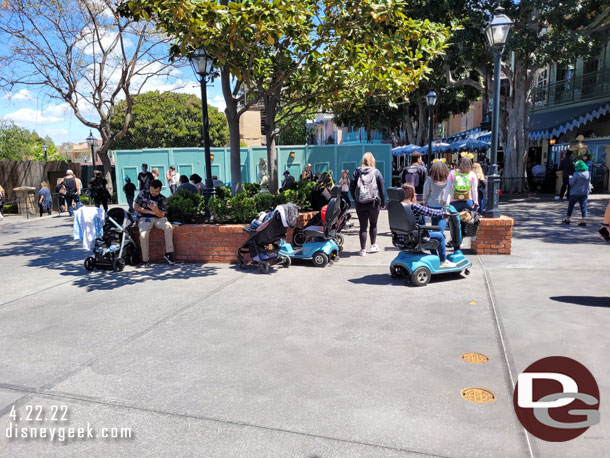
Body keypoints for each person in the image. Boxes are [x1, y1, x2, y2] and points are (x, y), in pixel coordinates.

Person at [402, 184, 455, 268]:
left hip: (401, 236)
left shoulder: (398, 205)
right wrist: (443, 213)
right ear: (411, 194)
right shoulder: (413, 206)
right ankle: (443, 260)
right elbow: (429, 211)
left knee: (430, 234)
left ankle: (435, 257)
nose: (415, 194)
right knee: (440, 236)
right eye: (414, 192)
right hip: (414, 236)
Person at [350, 152, 385, 256]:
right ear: (372, 160)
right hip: (373, 203)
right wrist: (382, 202)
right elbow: (382, 189)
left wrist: (356, 199)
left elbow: (352, 187)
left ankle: (363, 250)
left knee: (363, 226)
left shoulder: (357, 172)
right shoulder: (376, 172)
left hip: (360, 203)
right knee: (373, 224)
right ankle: (373, 245)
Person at [134, 179, 175, 267]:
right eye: (152, 190)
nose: (153, 193)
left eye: (156, 191)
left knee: (168, 227)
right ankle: (145, 259)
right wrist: (150, 212)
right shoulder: (143, 193)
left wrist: (156, 210)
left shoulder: (163, 199)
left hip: (158, 218)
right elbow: (136, 207)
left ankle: (168, 253)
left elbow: (161, 215)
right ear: (150, 188)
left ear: (160, 190)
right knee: (143, 235)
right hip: (145, 217)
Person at [422, 160, 450, 231]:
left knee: (434, 221)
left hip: (432, 203)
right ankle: (440, 233)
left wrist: (424, 201)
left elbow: (426, 191)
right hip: (444, 203)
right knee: (443, 219)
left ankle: (435, 235)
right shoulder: (447, 180)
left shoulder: (430, 179)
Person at [562, 160, 591, 226]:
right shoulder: (588, 173)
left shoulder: (576, 174)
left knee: (571, 206)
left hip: (575, 192)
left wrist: (570, 177)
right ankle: (583, 221)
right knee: (583, 207)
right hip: (584, 193)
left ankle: (568, 219)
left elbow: (571, 183)